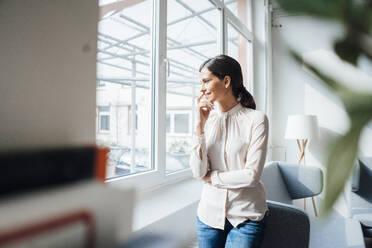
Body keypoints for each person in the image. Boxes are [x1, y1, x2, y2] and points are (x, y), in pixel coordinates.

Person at [190, 55, 269, 248]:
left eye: (206, 81)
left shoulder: (256, 120)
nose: (202, 88)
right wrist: (199, 125)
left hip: (246, 216)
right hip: (208, 216)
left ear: (226, 81)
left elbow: (251, 176)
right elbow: (198, 172)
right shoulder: (206, 120)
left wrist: (212, 178)